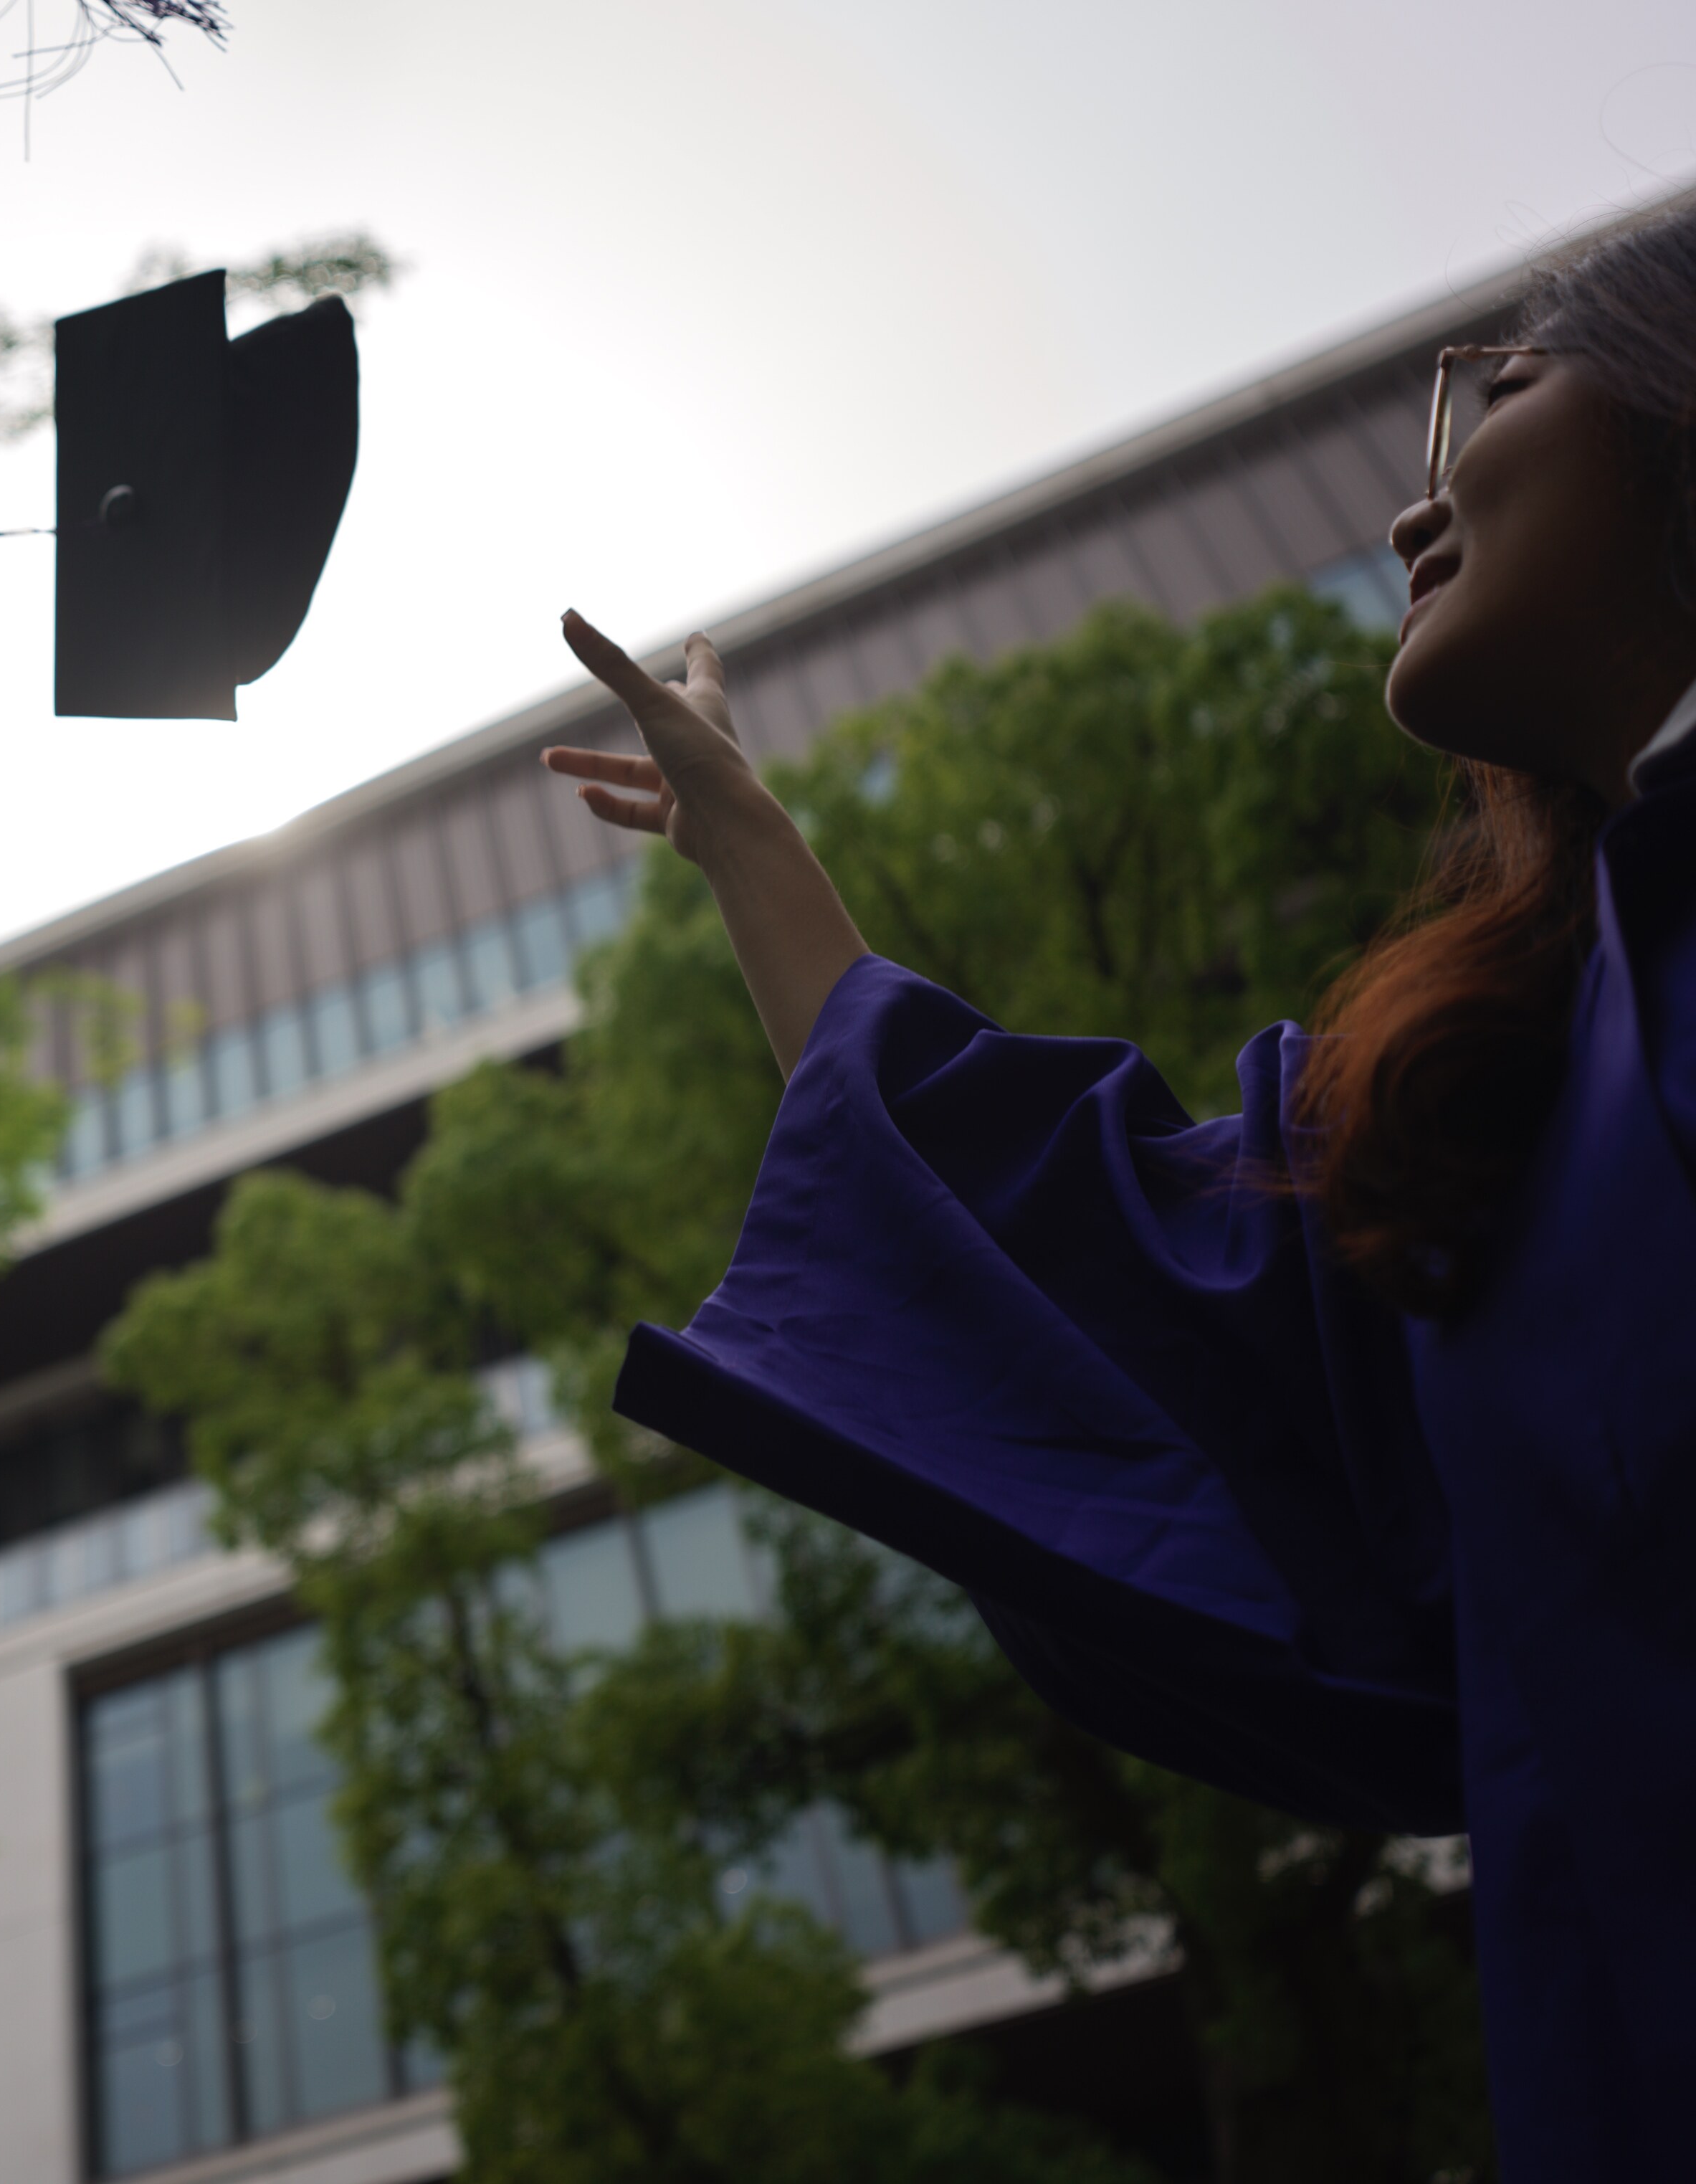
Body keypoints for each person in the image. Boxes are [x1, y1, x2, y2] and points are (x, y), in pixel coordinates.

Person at [554, 202, 1696, 2179]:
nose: (1414, 497)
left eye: (1494, 392)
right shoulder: (1510, 1107)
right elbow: (1117, 1280)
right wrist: (753, 850)